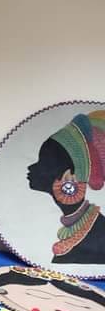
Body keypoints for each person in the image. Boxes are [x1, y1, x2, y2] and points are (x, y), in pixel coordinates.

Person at [27, 111, 105, 265]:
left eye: (43, 161)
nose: (31, 167)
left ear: (68, 176)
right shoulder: (83, 227)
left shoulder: (98, 235)